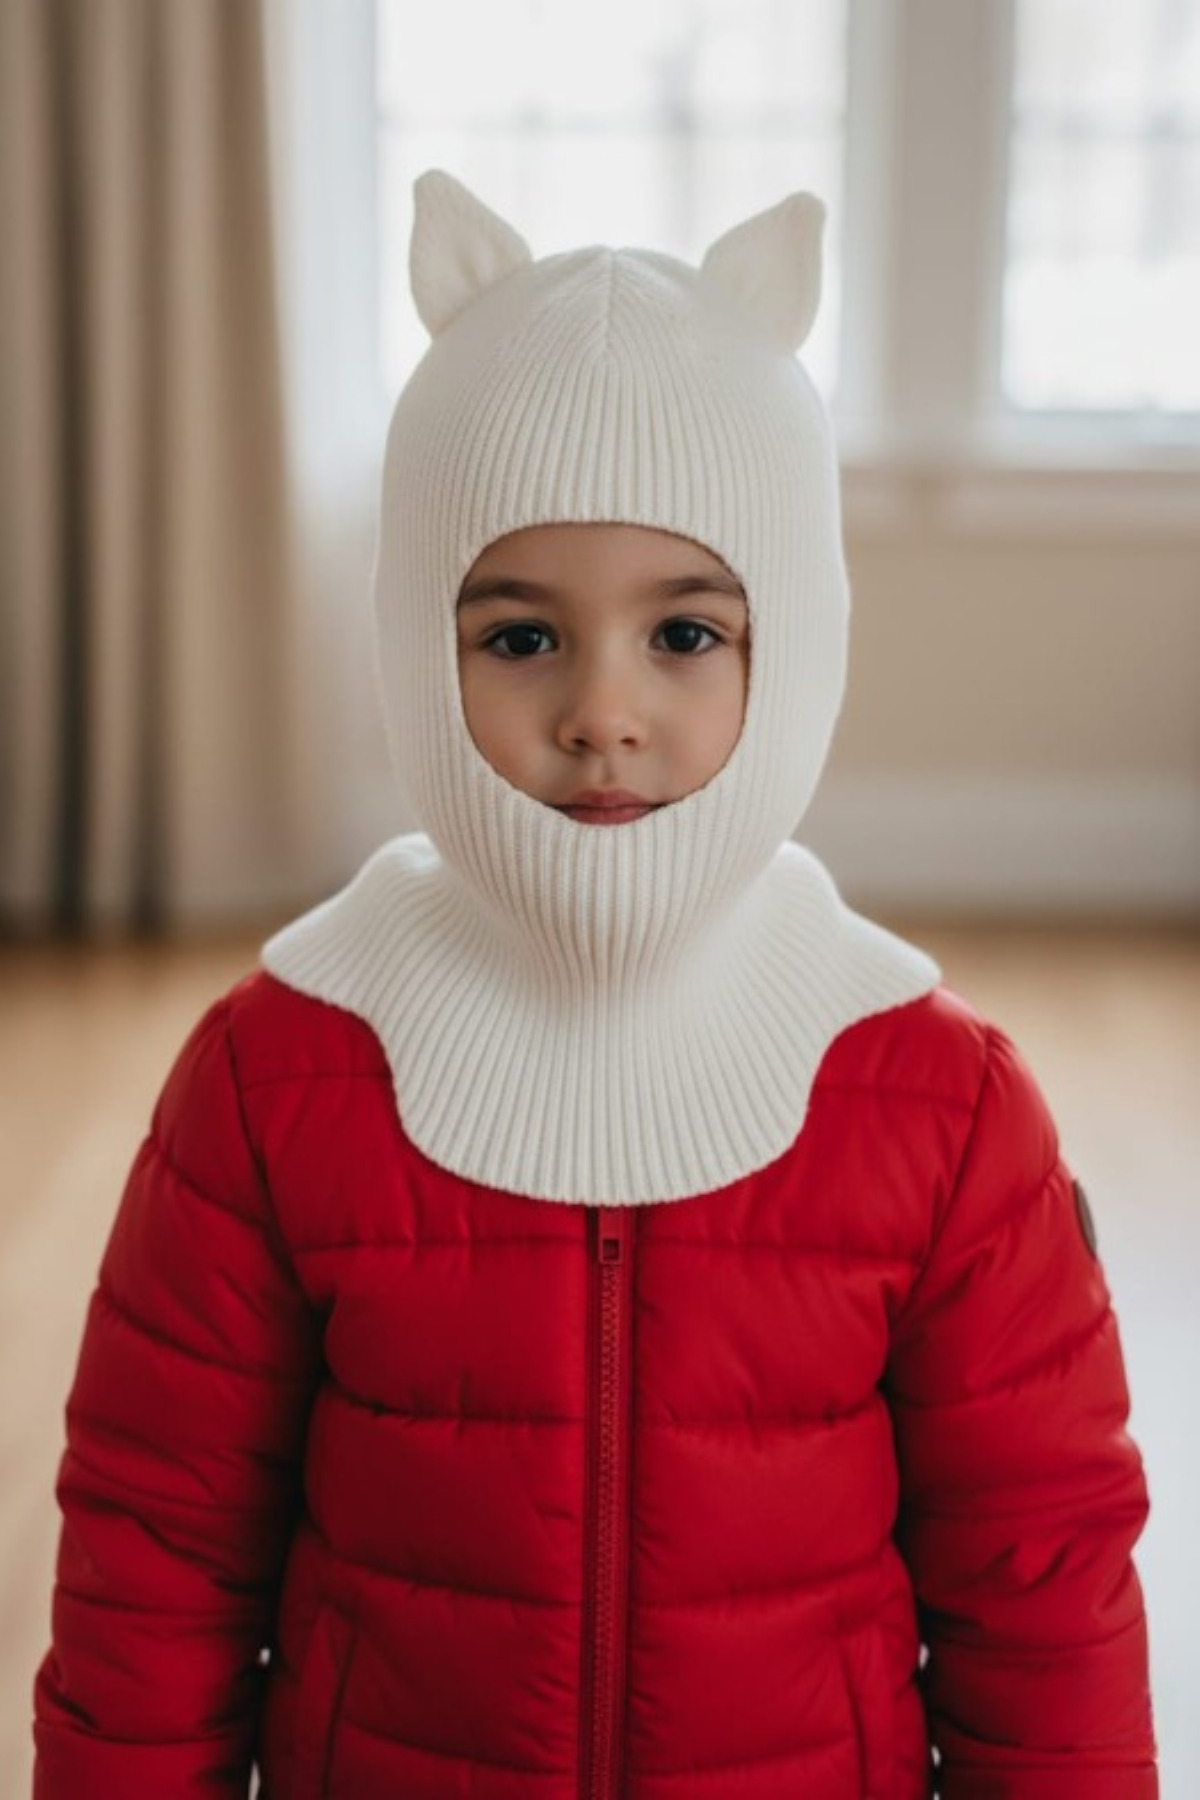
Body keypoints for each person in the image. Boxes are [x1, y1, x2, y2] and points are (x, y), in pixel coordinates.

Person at [33, 169, 1157, 1798]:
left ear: (799, 648)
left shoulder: (938, 1101)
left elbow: (1043, 1582)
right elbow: (157, 1554)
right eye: (520, 638)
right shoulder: (274, 1079)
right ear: (421, 649)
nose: (603, 713)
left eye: (685, 636)